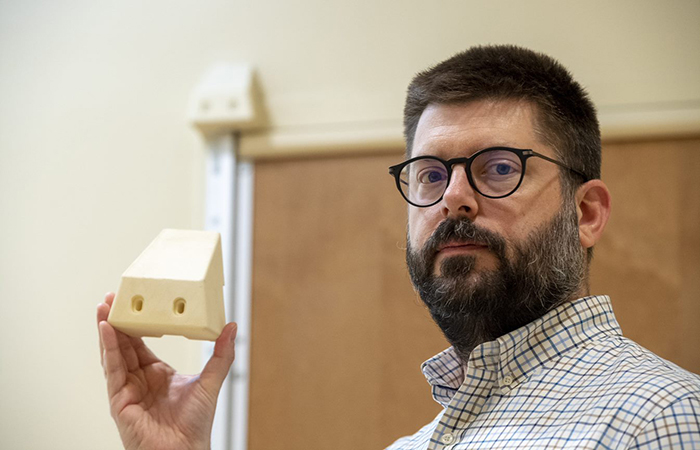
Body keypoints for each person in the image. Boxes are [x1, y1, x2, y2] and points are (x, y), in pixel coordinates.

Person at [97, 45, 700, 449]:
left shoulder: (662, 417)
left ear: (586, 212)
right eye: (430, 175)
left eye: (497, 168)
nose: (453, 198)